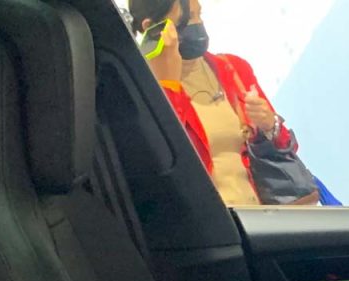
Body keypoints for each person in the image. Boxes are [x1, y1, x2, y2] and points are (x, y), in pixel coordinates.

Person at [130, 0, 305, 205]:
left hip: (261, 216)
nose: (198, 24)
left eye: (200, 14)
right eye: (188, 18)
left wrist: (270, 125)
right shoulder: (141, 88)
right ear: (152, 27)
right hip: (209, 219)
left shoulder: (233, 68)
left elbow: (286, 148)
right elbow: (165, 164)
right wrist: (168, 86)